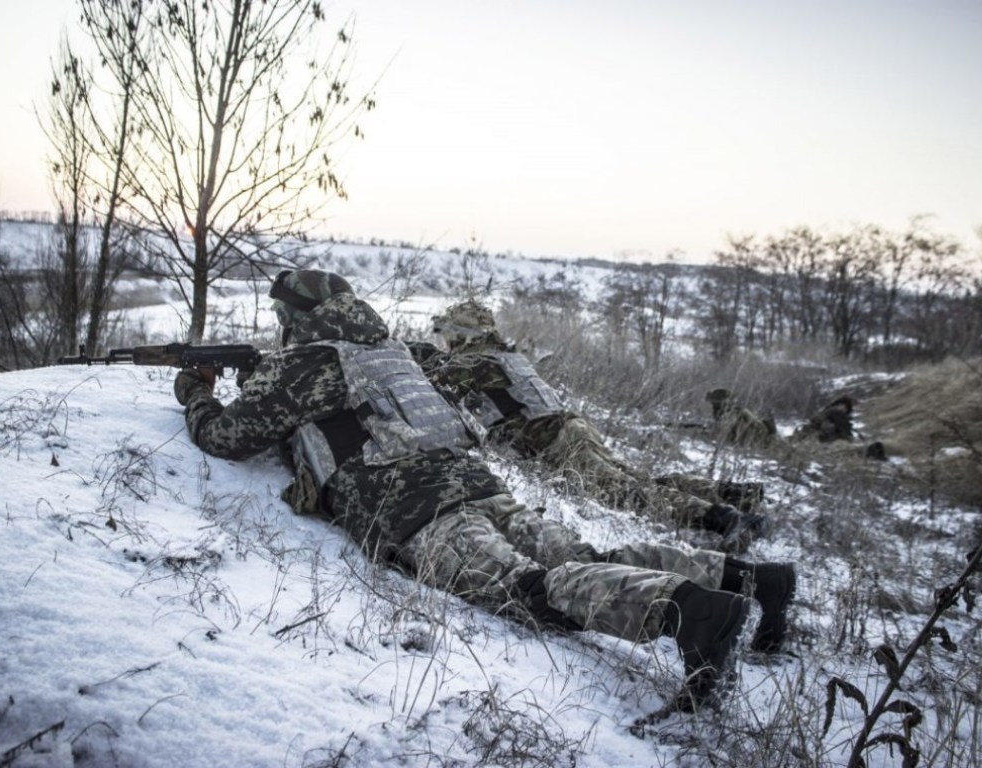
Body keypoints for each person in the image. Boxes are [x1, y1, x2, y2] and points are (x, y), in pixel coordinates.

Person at [172, 270, 797, 712]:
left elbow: (228, 436)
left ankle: (692, 615)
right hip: (480, 486)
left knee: (529, 592)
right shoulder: (392, 350)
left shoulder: (303, 364)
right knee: (580, 555)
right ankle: (751, 580)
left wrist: (196, 392)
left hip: (418, 510)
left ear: (294, 319)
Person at [409, 299, 766, 552]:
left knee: (627, 493)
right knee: (635, 482)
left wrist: (407, 352)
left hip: (558, 441)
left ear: (463, 336)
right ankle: (730, 493)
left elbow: (436, 379)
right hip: (570, 429)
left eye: (450, 335)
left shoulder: (478, 361)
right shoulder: (503, 354)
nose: (446, 341)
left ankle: (723, 518)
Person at [705, 388, 778, 448]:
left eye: (714, 403)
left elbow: (726, 435)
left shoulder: (733, 414)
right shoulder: (736, 412)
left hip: (759, 443)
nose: (712, 406)